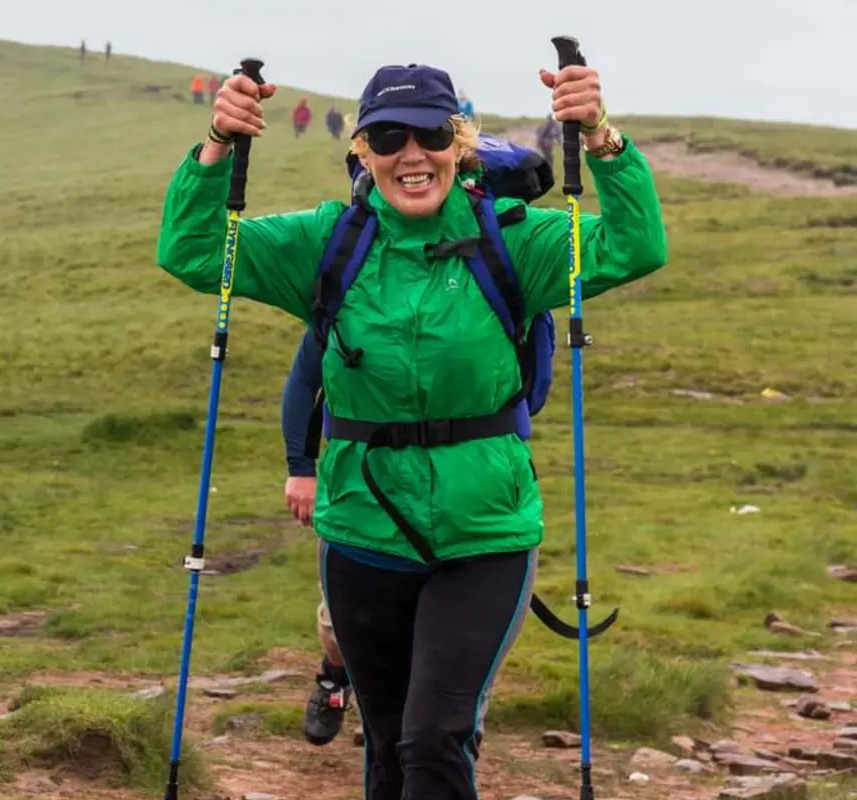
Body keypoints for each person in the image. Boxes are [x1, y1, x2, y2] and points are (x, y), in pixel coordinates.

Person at [155, 59, 666, 798]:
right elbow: (194, 253)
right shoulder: (329, 243)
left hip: (484, 535)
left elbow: (635, 246)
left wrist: (602, 138)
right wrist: (215, 143)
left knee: (435, 738)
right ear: (363, 152)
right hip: (364, 531)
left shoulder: (515, 243)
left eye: (430, 132)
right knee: (390, 746)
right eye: (387, 136)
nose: (411, 153)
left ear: (460, 145)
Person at [281, 329, 352, 746]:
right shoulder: (347, 284)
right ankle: (335, 678)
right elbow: (305, 379)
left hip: (459, 480)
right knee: (340, 622)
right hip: (353, 480)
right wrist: (300, 467)